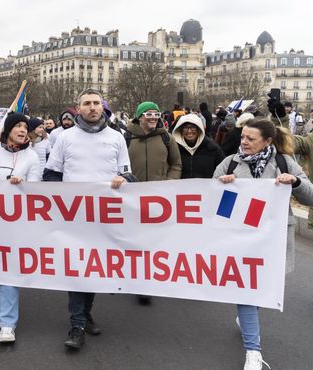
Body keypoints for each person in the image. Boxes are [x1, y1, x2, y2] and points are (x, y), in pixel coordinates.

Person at [214, 117, 313, 370]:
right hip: (241, 238)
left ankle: (247, 321)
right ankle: (253, 351)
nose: (243, 142)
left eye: (250, 139)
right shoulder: (230, 163)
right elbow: (212, 203)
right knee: (249, 290)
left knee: (263, 288)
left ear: (267, 141)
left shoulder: (284, 162)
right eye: (243, 137)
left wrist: (295, 182)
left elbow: (310, 196)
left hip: (274, 238)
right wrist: (222, 188)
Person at [43, 89, 134, 350]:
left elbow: (128, 175)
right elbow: (51, 174)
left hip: (104, 217)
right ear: (78, 108)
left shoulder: (117, 137)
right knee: (76, 269)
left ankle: (85, 315)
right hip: (74, 218)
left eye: (96, 103)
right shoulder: (64, 138)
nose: (92, 108)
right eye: (87, 104)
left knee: (93, 267)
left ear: (102, 106)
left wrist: (123, 179)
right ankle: (77, 324)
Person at [0, 113, 41, 343]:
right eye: (18, 126)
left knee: (9, 270)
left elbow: (37, 191)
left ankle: (7, 324)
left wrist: (24, 186)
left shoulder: (32, 157)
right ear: (8, 130)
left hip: (15, 224)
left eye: (25, 126)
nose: (23, 129)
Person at [124, 101, 182, 305]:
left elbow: (176, 164)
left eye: (156, 114)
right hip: (131, 199)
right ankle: (135, 278)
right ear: (139, 116)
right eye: (148, 114)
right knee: (134, 241)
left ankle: (146, 283)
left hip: (158, 199)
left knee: (153, 242)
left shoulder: (167, 138)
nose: (153, 117)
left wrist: (169, 184)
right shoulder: (126, 137)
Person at [171, 114, 224, 178]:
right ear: (180, 130)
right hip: (181, 187)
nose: (189, 131)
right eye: (186, 127)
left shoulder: (213, 149)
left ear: (199, 129)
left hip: (206, 187)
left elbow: (223, 171)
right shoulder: (174, 149)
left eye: (193, 127)